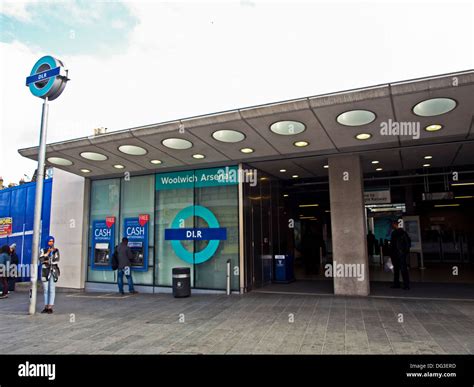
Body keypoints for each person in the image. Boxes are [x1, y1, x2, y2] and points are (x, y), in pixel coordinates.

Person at [39, 236, 60, 314]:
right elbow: (41, 259)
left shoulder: (56, 250)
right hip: (45, 271)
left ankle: (50, 307)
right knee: (45, 289)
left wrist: (47, 260)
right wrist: (47, 253)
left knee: (52, 289)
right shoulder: (42, 250)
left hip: (53, 271)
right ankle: (46, 306)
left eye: (52, 241)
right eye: (49, 241)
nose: (51, 243)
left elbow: (57, 259)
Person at [390, 221, 411, 290]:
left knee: (397, 270)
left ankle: (397, 284)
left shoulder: (394, 233)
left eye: (393, 224)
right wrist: (405, 252)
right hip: (401, 254)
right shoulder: (403, 233)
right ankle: (405, 284)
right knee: (403, 269)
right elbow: (408, 244)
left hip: (396, 254)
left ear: (394, 225)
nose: (392, 226)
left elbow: (392, 245)